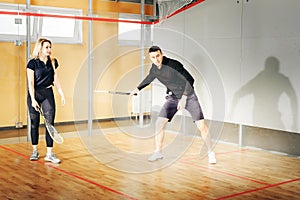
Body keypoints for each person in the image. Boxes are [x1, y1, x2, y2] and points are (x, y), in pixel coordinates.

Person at [130, 46, 216, 164]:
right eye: (153, 57)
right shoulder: (154, 68)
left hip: (188, 96)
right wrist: (137, 89)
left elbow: (190, 80)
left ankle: (211, 152)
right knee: (159, 123)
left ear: (162, 54)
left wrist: (184, 98)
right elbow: (149, 78)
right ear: (150, 58)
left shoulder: (174, 65)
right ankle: (158, 152)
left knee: (201, 125)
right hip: (173, 98)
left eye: (158, 56)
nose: (156, 60)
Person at [27, 38, 66, 164]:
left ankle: (49, 154)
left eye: (50, 47)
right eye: (47, 47)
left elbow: (57, 80)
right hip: (35, 94)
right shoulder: (32, 63)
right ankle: (35, 150)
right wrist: (33, 99)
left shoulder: (53, 62)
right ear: (40, 48)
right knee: (34, 123)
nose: (49, 50)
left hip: (48, 94)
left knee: (50, 124)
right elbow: (31, 83)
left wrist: (61, 94)